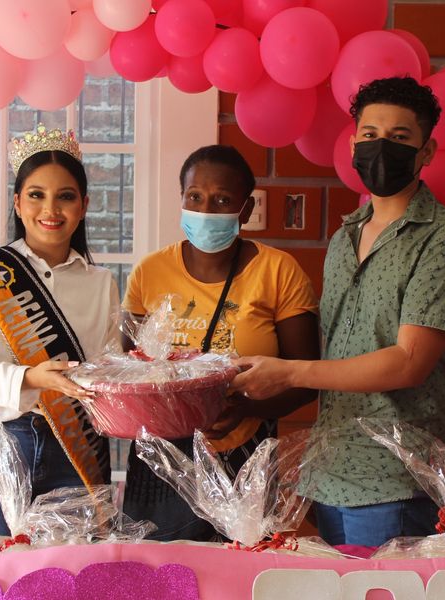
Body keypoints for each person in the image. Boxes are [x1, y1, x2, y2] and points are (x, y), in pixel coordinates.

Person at [231, 77, 445, 547]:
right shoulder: (344, 237)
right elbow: (338, 353)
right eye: (370, 135)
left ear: (426, 151)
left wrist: (289, 373)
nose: (381, 148)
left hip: (395, 482)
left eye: (399, 137)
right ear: (353, 145)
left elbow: (410, 363)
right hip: (328, 475)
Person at [122, 145, 321, 541]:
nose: (206, 209)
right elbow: (130, 371)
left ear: (246, 210)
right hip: (161, 460)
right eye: (195, 196)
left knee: (239, 566)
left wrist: (245, 408)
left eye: (222, 200)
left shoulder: (278, 271)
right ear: (181, 198)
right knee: (160, 568)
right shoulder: (150, 272)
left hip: (243, 457)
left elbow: (305, 380)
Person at [0, 125, 117, 536]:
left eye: (65, 196)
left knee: (69, 570)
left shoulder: (101, 284)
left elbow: (109, 370)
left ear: (84, 206)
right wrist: (30, 378)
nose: (50, 209)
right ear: (18, 203)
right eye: (37, 195)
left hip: (74, 447)